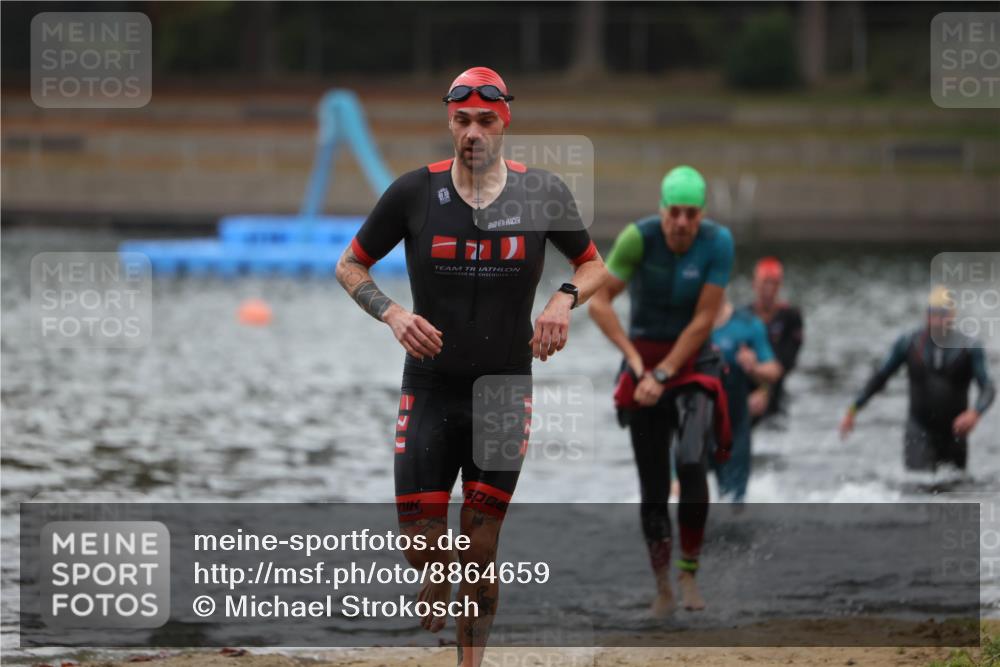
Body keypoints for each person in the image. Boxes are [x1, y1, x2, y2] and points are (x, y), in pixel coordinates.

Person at [335, 67, 606, 667]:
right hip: (430, 386)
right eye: (462, 121)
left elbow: (594, 266)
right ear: (448, 122)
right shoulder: (412, 193)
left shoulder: (542, 194)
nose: (473, 133)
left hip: (505, 390)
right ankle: (439, 570)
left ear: (504, 122)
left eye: (485, 121)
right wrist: (391, 314)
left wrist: (563, 298)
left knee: (481, 545)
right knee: (419, 546)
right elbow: (349, 266)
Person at [588, 165, 734, 615]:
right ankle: (662, 586)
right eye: (675, 213)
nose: (683, 224)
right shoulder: (638, 238)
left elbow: (705, 319)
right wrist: (635, 365)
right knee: (652, 485)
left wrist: (664, 374)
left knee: (691, 462)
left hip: (691, 364)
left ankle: (689, 574)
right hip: (643, 359)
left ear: (702, 214)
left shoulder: (718, 243)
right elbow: (598, 302)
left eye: (692, 214)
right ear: (662, 210)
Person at [839, 286, 995, 471]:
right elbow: (881, 377)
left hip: (955, 432)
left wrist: (975, 413)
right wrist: (853, 409)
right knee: (919, 487)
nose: (936, 319)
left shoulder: (970, 347)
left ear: (952, 315)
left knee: (953, 489)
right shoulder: (909, 343)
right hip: (919, 428)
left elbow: (988, 387)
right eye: (932, 313)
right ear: (926, 315)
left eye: (942, 313)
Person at [710, 295, 782, 502]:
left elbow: (774, 370)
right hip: (695, 426)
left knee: (733, 502)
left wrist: (754, 368)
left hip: (735, 426)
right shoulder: (684, 319)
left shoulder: (747, 325)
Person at [742, 257, 804, 426]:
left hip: (775, 385)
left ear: (780, 285)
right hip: (748, 384)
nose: (768, 289)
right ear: (754, 284)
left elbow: (788, 359)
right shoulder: (744, 316)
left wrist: (764, 387)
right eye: (764, 283)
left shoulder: (791, 316)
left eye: (773, 283)